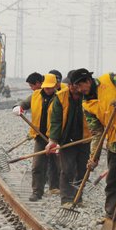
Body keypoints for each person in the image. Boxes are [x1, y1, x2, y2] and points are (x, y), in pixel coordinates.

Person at [72, 68, 116, 224]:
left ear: (88, 80)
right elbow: (96, 133)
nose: (80, 91)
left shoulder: (110, 79)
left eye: (80, 86)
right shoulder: (87, 104)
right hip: (114, 141)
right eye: (77, 88)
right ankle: (112, 216)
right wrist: (93, 157)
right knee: (113, 180)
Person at [12, 74, 58, 201]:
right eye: (46, 87)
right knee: (37, 166)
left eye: (51, 87)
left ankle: (65, 194)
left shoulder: (60, 97)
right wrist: (18, 107)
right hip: (40, 137)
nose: (48, 90)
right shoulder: (36, 95)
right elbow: (25, 103)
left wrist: (58, 140)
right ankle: (37, 192)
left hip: (56, 138)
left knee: (61, 166)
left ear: (55, 85)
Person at [46, 76, 91, 207]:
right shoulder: (60, 97)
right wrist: (53, 140)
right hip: (67, 139)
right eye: (69, 85)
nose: (71, 88)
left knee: (82, 170)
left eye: (74, 85)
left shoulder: (88, 95)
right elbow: (56, 119)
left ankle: (78, 198)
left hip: (84, 138)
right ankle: (66, 199)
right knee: (67, 169)